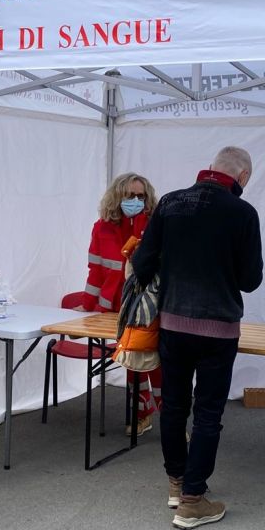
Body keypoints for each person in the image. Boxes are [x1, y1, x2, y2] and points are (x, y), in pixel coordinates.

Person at [132, 146, 263, 530]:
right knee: (207, 413)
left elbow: (142, 263)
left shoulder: (169, 203)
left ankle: (176, 484)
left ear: (210, 168)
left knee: (173, 407)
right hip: (218, 330)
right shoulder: (243, 212)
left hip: (173, 324)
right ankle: (192, 501)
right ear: (242, 177)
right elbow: (250, 280)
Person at [82, 172, 162, 437]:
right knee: (132, 365)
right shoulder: (101, 227)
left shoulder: (155, 225)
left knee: (157, 365)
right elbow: (95, 270)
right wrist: (88, 304)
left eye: (141, 196)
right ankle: (142, 415)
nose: (135, 201)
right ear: (118, 196)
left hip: (148, 308)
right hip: (114, 309)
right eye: (130, 195)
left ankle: (172, 422)